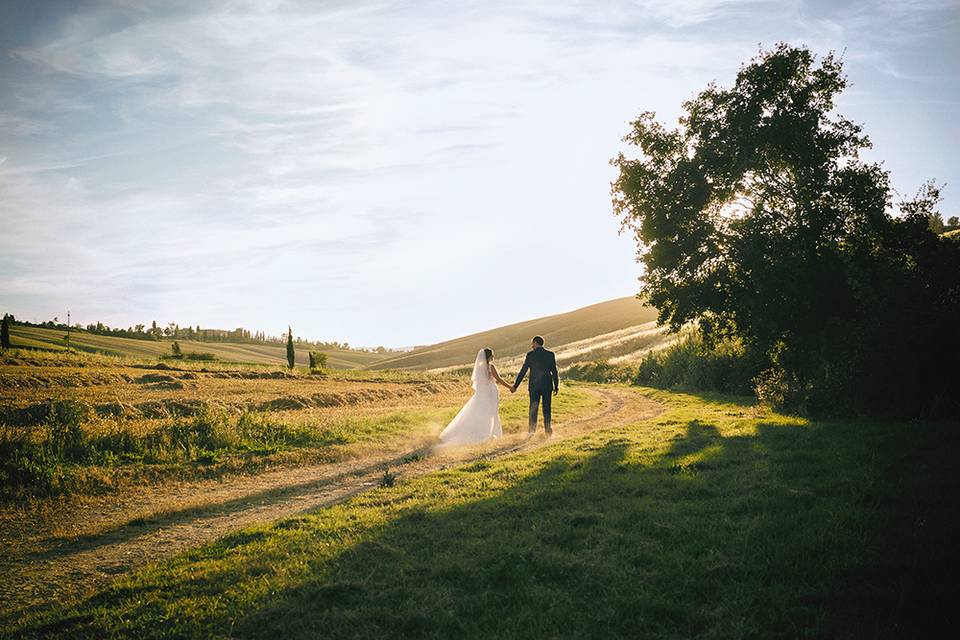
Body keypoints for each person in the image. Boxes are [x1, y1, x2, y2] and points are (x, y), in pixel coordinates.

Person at [438, 348, 511, 445]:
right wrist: (510, 387)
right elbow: (499, 379)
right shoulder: (490, 366)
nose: (493, 357)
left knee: (481, 413)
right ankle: (491, 434)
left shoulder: (480, 367)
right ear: (489, 356)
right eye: (492, 355)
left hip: (482, 393)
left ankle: (485, 433)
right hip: (490, 392)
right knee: (492, 412)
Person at [511, 336, 559, 435]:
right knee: (547, 408)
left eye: (532, 343)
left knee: (533, 408)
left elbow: (523, 371)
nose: (531, 346)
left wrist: (515, 386)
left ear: (536, 343)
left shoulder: (530, 355)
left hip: (534, 386)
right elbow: (554, 371)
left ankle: (531, 431)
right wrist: (556, 385)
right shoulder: (550, 354)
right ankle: (548, 431)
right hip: (547, 385)